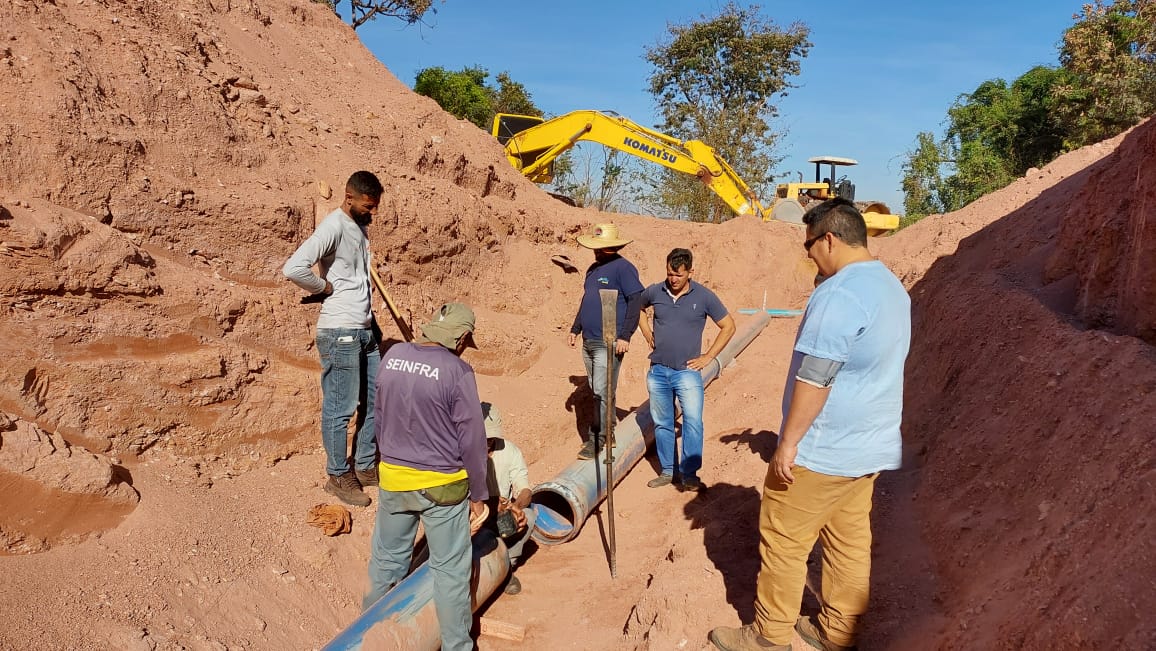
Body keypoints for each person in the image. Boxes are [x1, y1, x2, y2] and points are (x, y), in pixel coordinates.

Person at [708, 198, 911, 651]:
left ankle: (769, 635)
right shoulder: (890, 286)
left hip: (823, 450)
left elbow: (816, 376)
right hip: (868, 448)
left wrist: (788, 443)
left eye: (810, 246)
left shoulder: (840, 293)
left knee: (783, 542)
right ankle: (838, 632)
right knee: (848, 545)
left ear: (830, 239)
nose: (809, 256)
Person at [363, 302, 489, 651]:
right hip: (442, 485)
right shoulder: (457, 371)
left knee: (387, 563)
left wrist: (384, 457)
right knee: (449, 571)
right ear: (461, 338)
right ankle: (457, 646)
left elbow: (378, 412)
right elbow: (472, 437)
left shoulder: (393, 356)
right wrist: (479, 494)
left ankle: (366, 639)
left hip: (394, 477)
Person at [283, 170, 384, 507]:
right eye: (367, 206)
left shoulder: (357, 228)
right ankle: (338, 475)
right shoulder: (334, 225)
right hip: (340, 331)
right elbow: (294, 268)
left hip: (364, 330)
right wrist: (323, 287)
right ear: (349, 197)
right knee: (340, 408)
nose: (371, 212)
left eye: (374, 207)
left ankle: (366, 466)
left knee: (374, 400)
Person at [639, 248, 736, 493]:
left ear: (691, 272)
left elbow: (728, 326)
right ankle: (667, 471)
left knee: (693, 421)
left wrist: (709, 357)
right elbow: (637, 308)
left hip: (687, 372)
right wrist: (647, 334)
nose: (672, 279)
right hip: (658, 370)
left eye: (678, 275)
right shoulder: (655, 291)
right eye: (670, 274)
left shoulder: (704, 297)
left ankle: (690, 474)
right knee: (662, 422)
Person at [567, 223, 644, 460]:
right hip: (589, 340)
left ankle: (597, 440)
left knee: (601, 391)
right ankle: (608, 431)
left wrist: (625, 335)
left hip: (609, 341)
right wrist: (575, 327)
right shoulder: (592, 269)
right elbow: (587, 300)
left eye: (599, 247)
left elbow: (635, 300)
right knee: (599, 389)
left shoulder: (624, 268)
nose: (595, 251)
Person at [481, 402, 536, 595]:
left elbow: (525, 489)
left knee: (528, 516)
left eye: (491, 436)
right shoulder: (462, 453)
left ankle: (506, 566)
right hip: (476, 515)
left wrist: (516, 507)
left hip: (500, 515)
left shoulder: (510, 451)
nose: (488, 440)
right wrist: (492, 504)